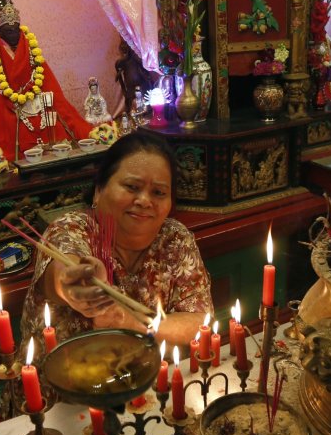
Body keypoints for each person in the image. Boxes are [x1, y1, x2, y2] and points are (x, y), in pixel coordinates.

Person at [20, 131, 213, 354]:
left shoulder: (175, 239)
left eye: (159, 192)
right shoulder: (71, 228)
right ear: (98, 191)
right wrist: (75, 285)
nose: (144, 201)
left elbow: (199, 322)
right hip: (60, 385)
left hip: (143, 382)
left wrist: (131, 322)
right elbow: (64, 269)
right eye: (132, 187)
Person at [0, 2, 91, 161]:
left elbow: (48, 85)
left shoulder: (31, 51)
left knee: (59, 118)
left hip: (35, 101)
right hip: (8, 102)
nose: (13, 35)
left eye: (15, 31)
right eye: (8, 31)